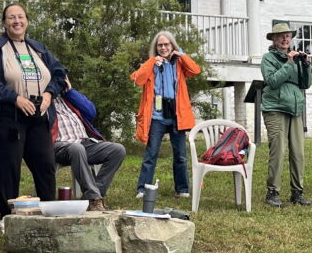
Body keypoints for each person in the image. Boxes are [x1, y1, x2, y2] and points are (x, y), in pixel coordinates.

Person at [0, 3, 66, 223]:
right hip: (8, 120)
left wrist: (48, 95)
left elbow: (59, 74)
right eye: (11, 18)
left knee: (45, 166)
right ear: (4, 23)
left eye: (20, 17)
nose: (17, 21)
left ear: (26, 20)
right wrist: (15, 98)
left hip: (39, 118)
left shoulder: (39, 49)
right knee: (9, 170)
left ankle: (48, 215)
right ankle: (7, 219)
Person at [132, 31, 201, 199]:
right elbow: (137, 79)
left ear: (172, 46)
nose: (163, 48)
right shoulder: (152, 64)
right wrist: (151, 62)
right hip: (157, 116)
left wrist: (181, 55)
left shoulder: (179, 63)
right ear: (156, 48)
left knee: (181, 155)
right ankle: (143, 189)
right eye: (160, 45)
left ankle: (182, 189)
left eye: (166, 45)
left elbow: (195, 70)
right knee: (151, 154)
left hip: (177, 115)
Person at [52, 75, 127, 211]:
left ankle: (92, 196)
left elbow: (91, 112)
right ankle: (94, 198)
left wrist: (70, 91)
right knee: (76, 148)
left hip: (84, 143)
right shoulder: (42, 100)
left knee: (118, 150)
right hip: (59, 146)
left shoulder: (68, 99)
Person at [261, 22, 312, 207]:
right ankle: (272, 192)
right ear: (274, 40)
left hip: (295, 109)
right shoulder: (268, 58)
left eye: (288, 36)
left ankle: (297, 193)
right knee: (278, 150)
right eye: (281, 36)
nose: (285, 39)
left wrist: (305, 66)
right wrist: (289, 63)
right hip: (275, 108)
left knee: (298, 152)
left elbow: (305, 84)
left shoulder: (295, 58)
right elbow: (273, 81)